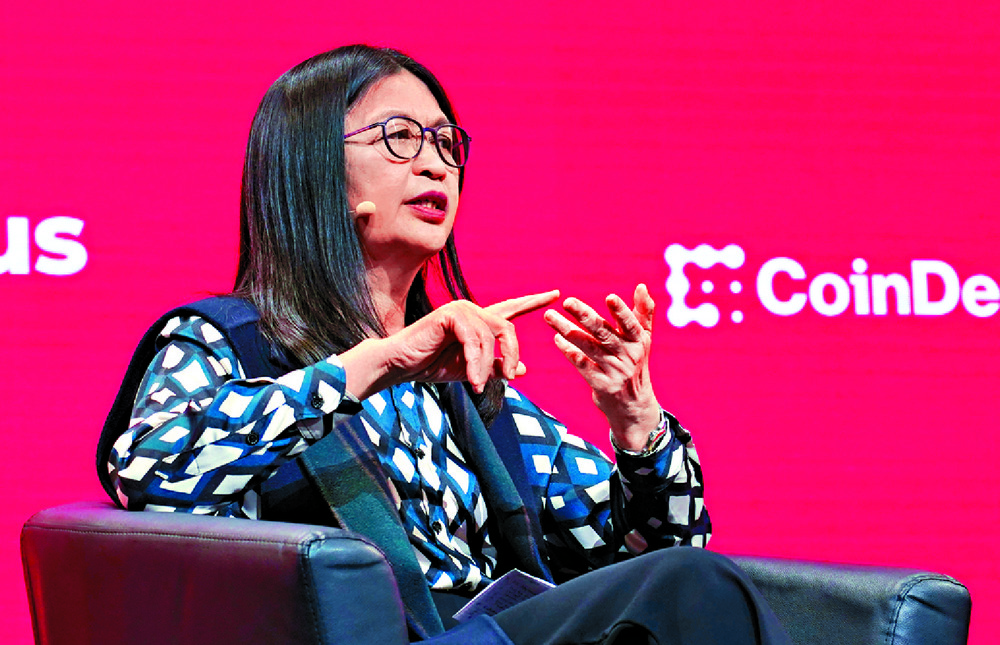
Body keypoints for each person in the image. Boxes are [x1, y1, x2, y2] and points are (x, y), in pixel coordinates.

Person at [96, 45, 790, 644]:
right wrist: (381, 360)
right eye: (400, 137)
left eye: (445, 143)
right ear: (313, 167)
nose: (435, 165)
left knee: (697, 587)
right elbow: (149, 474)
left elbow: (656, 554)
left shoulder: (464, 386)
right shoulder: (230, 343)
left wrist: (635, 421)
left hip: (484, 629)